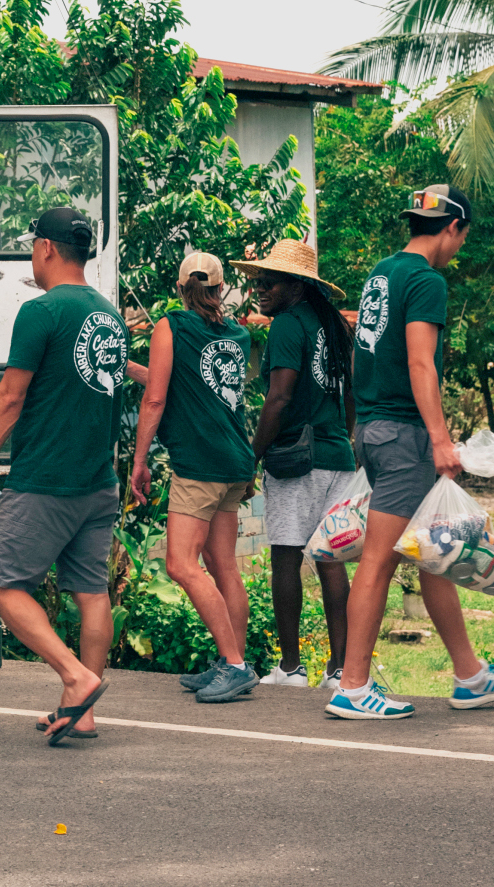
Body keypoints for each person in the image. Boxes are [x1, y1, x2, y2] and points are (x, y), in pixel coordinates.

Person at [329, 184, 494, 719]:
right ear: (454, 228)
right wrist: (442, 439)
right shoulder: (426, 281)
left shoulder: (381, 274)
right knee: (378, 562)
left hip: (377, 428)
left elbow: (365, 354)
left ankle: (471, 675)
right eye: (461, 238)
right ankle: (352, 687)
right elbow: (422, 363)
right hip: (404, 435)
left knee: (430, 553)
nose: (458, 248)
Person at [0, 208, 127, 746]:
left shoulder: (42, 311)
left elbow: (11, 395)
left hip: (44, 480)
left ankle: (76, 677)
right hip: (98, 481)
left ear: (45, 249)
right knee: (90, 592)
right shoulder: (109, 315)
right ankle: (82, 713)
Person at [131, 252, 258, 703]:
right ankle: (233, 662)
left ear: (181, 286)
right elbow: (185, 382)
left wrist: (139, 461)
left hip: (199, 465)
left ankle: (236, 665)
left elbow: (156, 400)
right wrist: (129, 367)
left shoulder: (172, 326)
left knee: (180, 564)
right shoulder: (237, 335)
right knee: (223, 565)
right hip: (233, 463)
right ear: (220, 289)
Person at [231, 239, 354, 690]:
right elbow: (351, 393)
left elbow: (279, 397)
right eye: (256, 281)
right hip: (338, 455)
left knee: (285, 554)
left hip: (297, 461)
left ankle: (290, 668)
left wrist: (251, 458)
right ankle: (340, 671)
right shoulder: (335, 326)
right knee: (331, 559)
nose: (259, 288)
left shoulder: (286, 326)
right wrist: (345, 435)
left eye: (269, 281)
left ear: (296, 285)